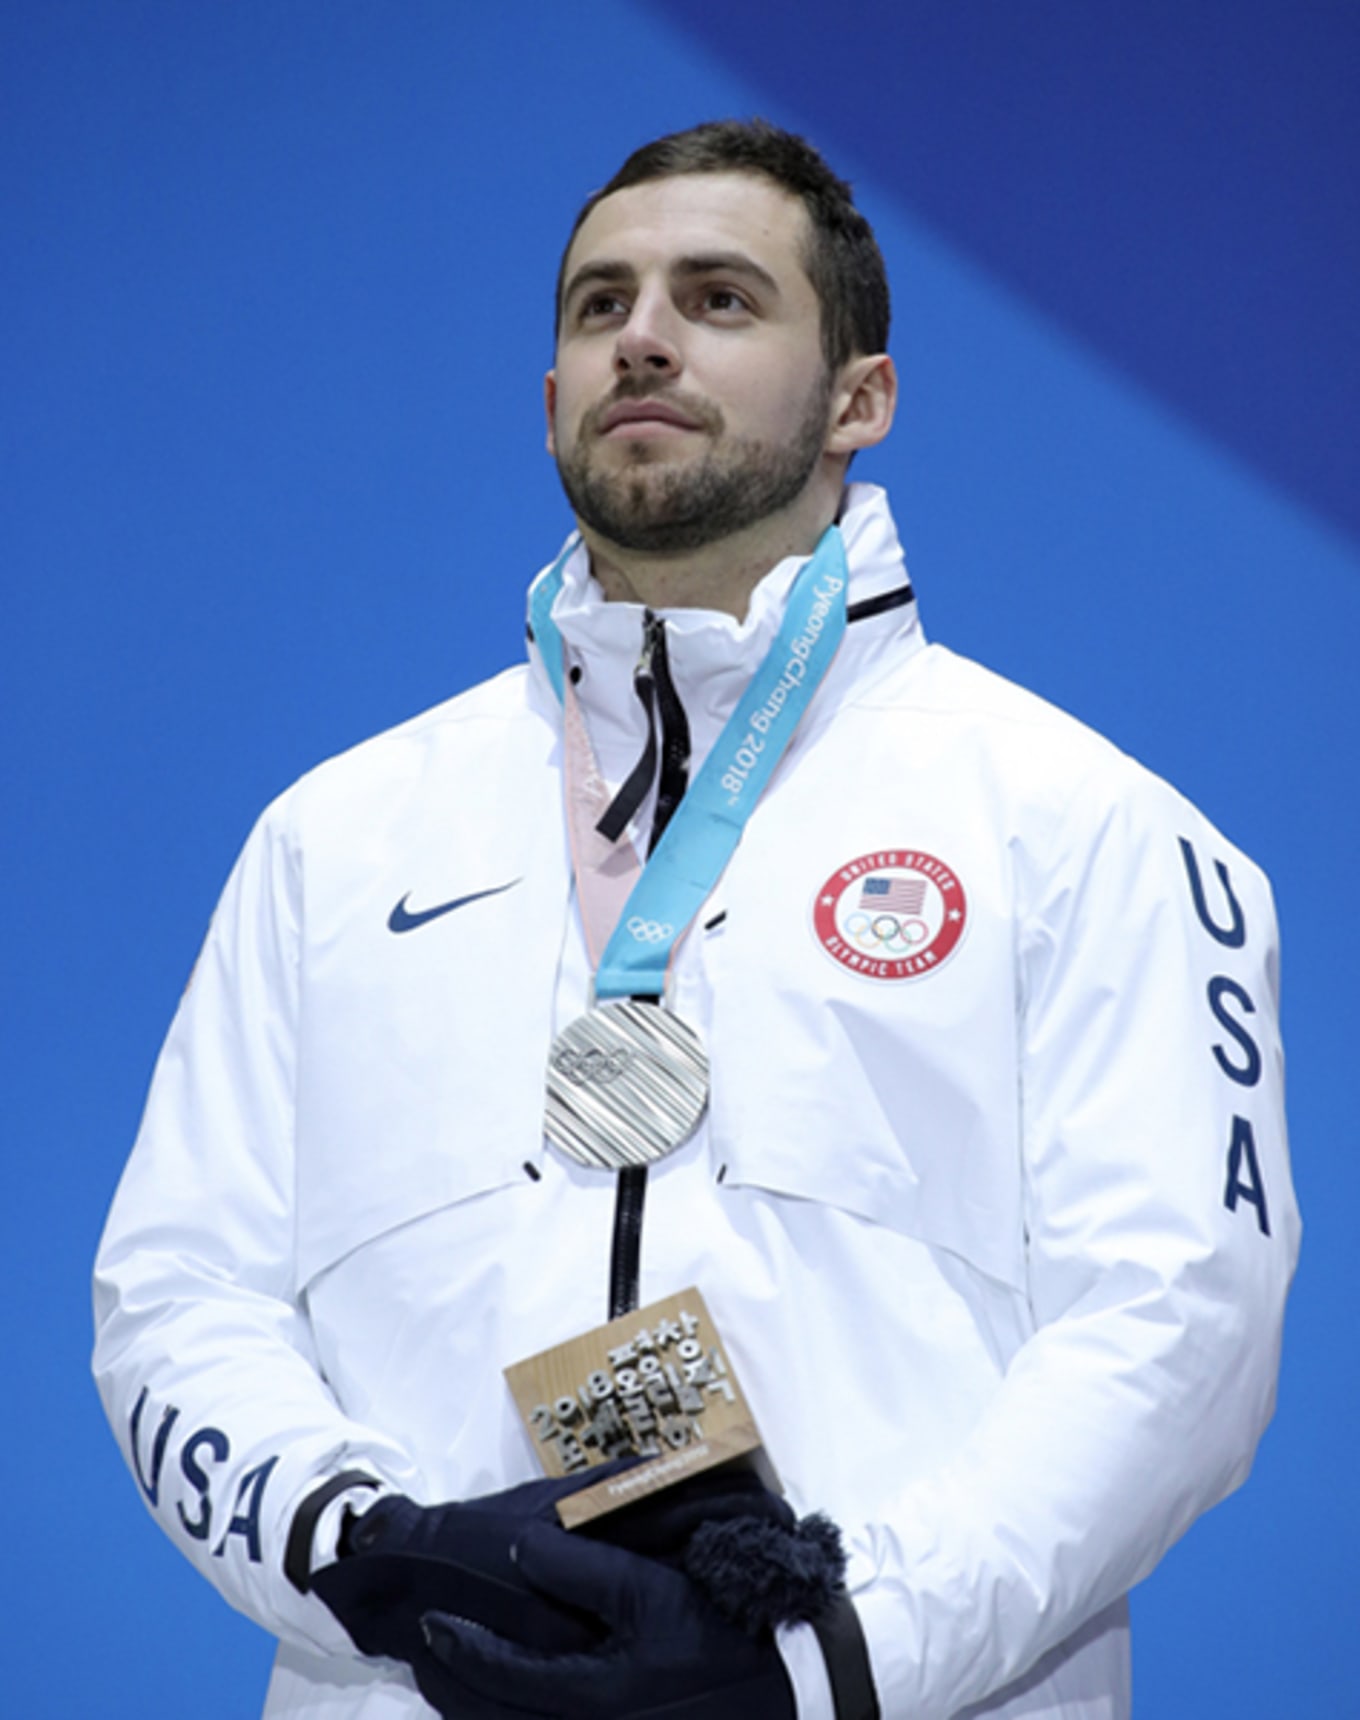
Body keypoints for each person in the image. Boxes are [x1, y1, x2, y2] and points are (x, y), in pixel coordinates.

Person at [93, 119, 1298, 1720]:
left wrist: (823, 1656)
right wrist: (369, 1548)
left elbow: (1177, 1329)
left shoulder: (1086, 826)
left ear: (860, 398)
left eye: (719, 298)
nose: (642, 336)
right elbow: (177, 1295)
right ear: (549, 407)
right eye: (600, 307)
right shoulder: (332, 839)